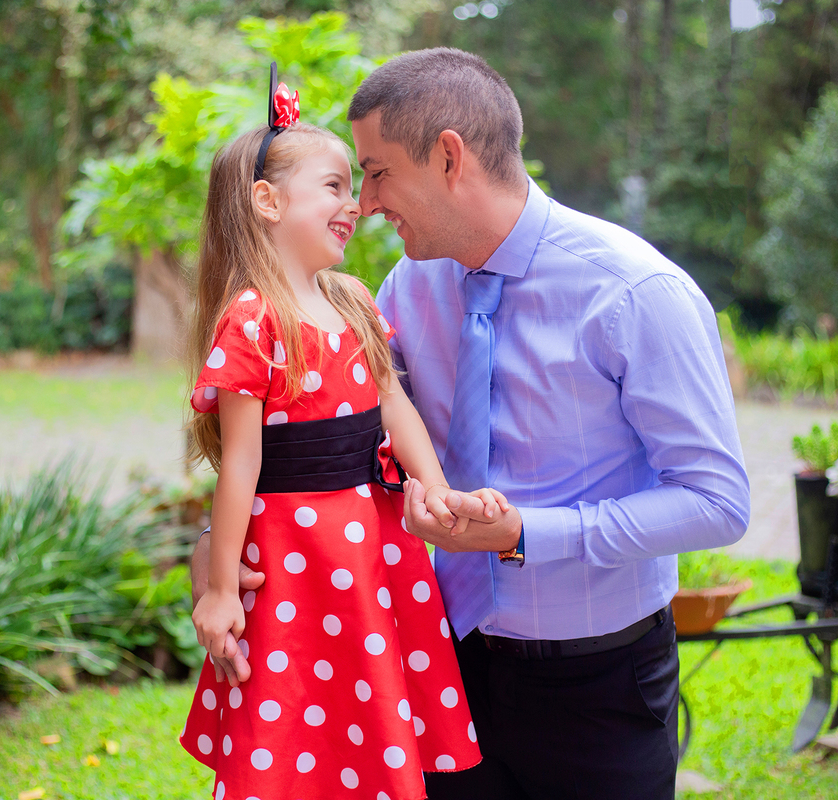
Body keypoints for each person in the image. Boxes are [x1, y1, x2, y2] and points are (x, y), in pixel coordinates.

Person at [342, 48, 752, 800]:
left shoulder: (635, 292)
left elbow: (718, 502)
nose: (366, 201)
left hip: (599, 689)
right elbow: (355, 427)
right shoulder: (405, 285)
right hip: (446, 664)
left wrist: (528, 535)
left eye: (377, 171)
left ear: (448, 157)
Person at [180, 81, 502, 800]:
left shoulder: (352, 299)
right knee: (293, 714)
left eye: (354, 186)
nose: (353, 203)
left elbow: (394, 406)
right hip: (296, 554)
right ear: (268, 203)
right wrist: (222, 586)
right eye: (333, 185)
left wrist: (438, 489)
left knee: (370, 700)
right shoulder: (254, 320)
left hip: (375, 545)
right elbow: (241, 464)